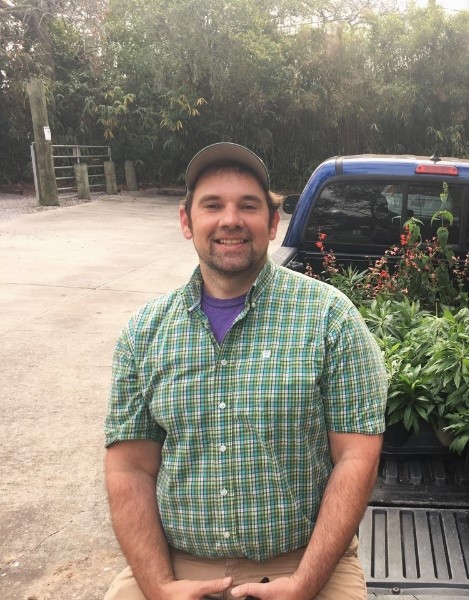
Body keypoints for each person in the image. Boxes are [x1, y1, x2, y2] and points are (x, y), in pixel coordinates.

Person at [103, 142, 388, 600]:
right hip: (178, 564)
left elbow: (356, 458)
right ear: (186, 221)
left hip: (304, 560)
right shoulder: (143, 333)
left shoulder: (330, 318)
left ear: (273, 224)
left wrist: (304, 582)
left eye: (248, 206)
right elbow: (130, 469)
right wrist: (158, 586)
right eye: (212, 205)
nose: (230, 219)